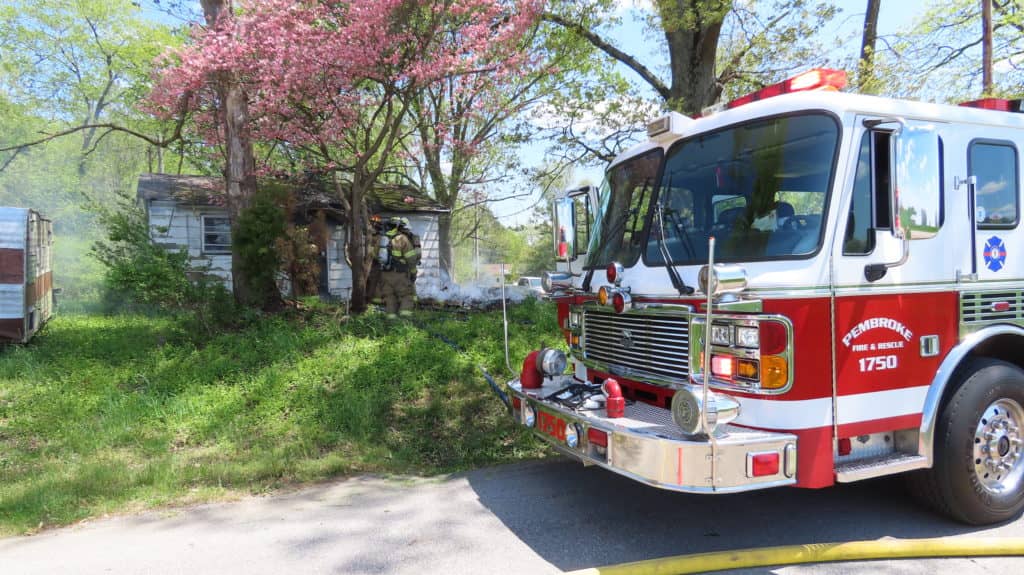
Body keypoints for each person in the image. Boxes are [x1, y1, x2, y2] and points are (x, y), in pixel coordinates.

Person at [378, 217, 421, 318]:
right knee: (406, 296)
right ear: (398, 227)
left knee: (389, 298)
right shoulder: (402, 239)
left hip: (385, 275)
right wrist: (413, 273)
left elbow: (375, 255)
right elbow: (411, 259)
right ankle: (404, 323)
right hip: (400, 275)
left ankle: (391, 323)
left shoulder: (382, 239)